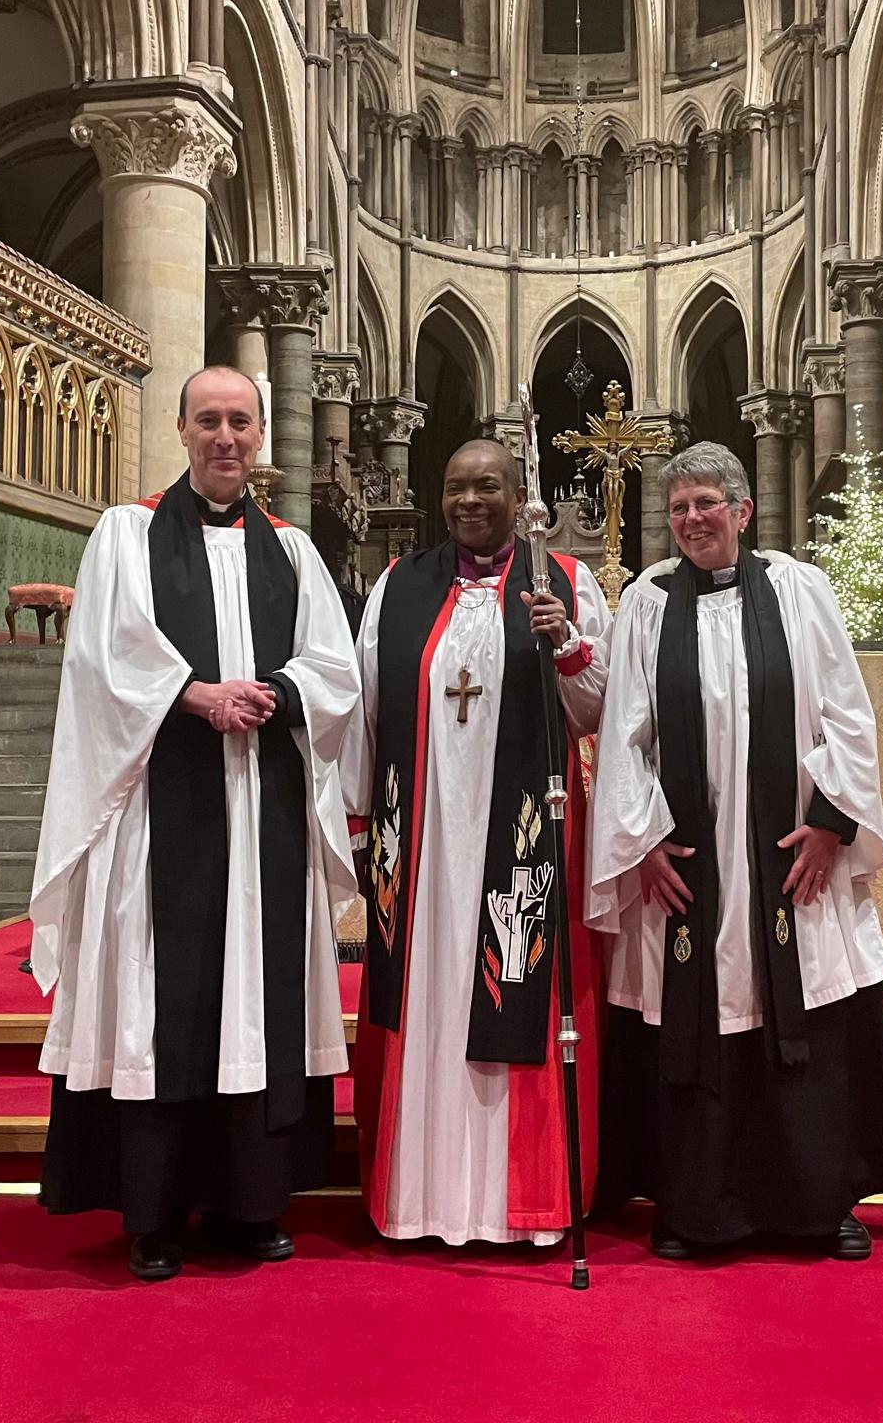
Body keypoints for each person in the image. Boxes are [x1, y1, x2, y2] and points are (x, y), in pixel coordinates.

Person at [30, 366, 361, 1281]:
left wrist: (280, 691)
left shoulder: (290, 551)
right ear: (180, 430)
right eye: (208, 420)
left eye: (241, 422)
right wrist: (193, 695)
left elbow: (336, 669)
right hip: (158, 808)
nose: (226, 437)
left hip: (263, 814)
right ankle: (156, 1213)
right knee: (162, 995)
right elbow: (104, 654)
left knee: (255, 992)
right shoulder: (127, 533)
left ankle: (251, 1204)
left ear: (260, 437)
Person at [587, 441, 883, 1261]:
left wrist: (832, 823)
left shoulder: (800, 590)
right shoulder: (647, 601)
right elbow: (625, 732)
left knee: (802, 1001)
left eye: (707, 503)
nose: (693, 520)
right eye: (678, 509)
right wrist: (644, 842)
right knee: (698, 1009)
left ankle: (819, 1201)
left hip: (788, 856)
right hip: (690, 862)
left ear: (742, 510)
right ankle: (696, 1208)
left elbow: (846, 711)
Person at [341, 439, 612, 1246]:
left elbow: (601, 710)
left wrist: (565, 642)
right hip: (419, 848)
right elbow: (364, 712)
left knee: (512, 984)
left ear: (517, 492)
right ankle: (418, 1197)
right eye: (456, 487)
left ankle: (517, 1204)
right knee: (422, 993)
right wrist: (361, 827)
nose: (470, 501)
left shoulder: (564, 580)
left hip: (518, 844)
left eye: (487, 486)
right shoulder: (398, 587)